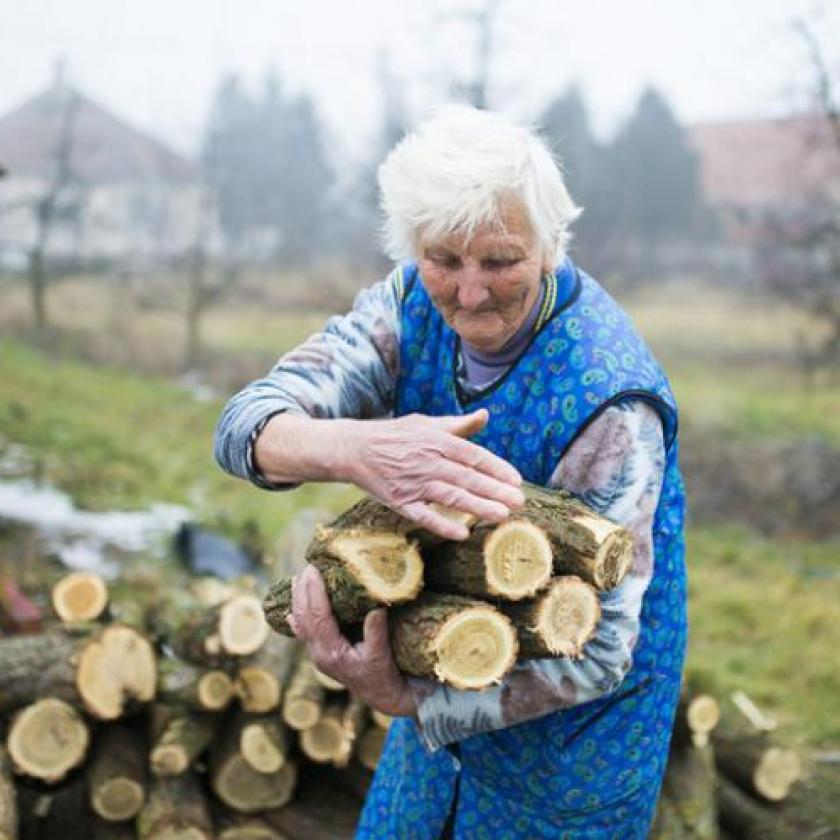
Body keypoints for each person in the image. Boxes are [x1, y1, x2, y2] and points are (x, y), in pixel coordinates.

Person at [215, 105, 687, 839]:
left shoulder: (610, 402)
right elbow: (247, 423)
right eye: (444, 259)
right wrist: (354, 449)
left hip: (571, 754)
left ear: (548, 246)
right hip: (448, 682)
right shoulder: (405, 306)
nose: (469, 293)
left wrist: (411, 702)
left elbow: (598, 655)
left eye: (499, 261)